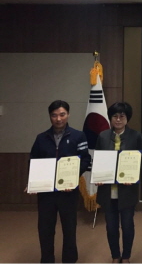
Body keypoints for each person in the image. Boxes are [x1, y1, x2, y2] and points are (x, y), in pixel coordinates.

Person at [29, 100, 92, 263]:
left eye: (62, 114)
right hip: (46, 192)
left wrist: (72, 178)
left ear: (68, 115)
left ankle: (69, 260)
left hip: (68, 192)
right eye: (54, 115)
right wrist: (33, 181)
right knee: (45, 229)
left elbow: (85, 160)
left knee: (69, 229)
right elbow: (33, 161)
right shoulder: (41, 138)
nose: (58, 119)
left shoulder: (78, 136)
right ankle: (47, 259)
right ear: (50, 116)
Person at [96, 102, 142, 263]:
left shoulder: (135, 136)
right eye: (115, 116)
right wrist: (98, 176)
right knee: (111, 226)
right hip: (107, 190)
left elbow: (141, 159)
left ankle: (126, 256)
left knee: (127, 225)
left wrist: (133, 176)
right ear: (110, 118)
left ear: (127, 118)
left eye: (122, 116)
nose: (118, 119)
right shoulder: (103, 136)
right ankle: (115, 256)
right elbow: (98, 159)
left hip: (127, 190)